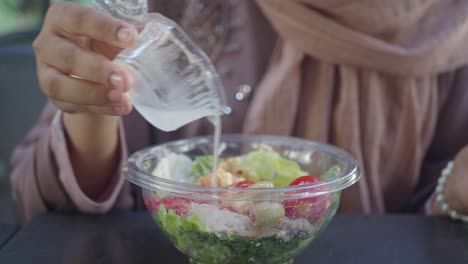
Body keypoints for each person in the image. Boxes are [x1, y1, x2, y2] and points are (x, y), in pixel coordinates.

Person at [10, 0, 468, 222]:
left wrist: (454, 195)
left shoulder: (451, 30)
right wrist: (91, 98)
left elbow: (438, 202)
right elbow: (49, 209)